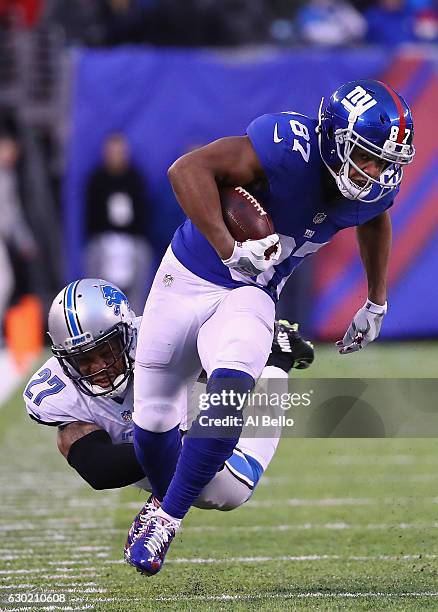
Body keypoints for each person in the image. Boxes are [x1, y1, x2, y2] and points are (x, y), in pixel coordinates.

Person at [126, 79, 415, 576]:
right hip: (189, 275)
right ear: (332, 137)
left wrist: (376, 300)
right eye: (365, 157)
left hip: (251, 294)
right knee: (152, 421)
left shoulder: (374, 186)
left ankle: (166, 517)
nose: (375, 173)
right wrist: (227, 246)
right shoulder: (288, 147)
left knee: (231, 394)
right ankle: (159, 487)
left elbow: (374, 218)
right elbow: (187, 169)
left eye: (384, 162)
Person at [23, 278, 314, 548]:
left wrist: (206, 440)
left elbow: (230, 378)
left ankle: (279, 357)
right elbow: (99, 470)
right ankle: (166, 485)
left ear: (126, 335)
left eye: (107, 351)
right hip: (153, 446)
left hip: (183, 416)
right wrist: (181, 451)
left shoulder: (159, 338)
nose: (98, 366)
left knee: (233, 490)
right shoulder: (57, 392)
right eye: (83, 359)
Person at [85, 132, 153, 314]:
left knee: (142, 259)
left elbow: (142, 214)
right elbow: (92, 217)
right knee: (97, 279)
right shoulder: (97, 179)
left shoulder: (135, 178)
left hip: (132, 239)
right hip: (104, 239)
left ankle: (135, 321)